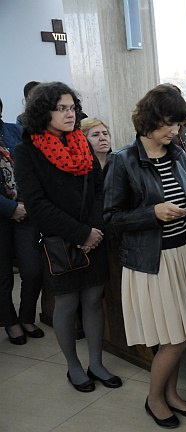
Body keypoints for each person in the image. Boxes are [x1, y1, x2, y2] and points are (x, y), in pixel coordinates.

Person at [104, 84, 186, 428]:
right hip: (152, 262)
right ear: (149, 120)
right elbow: (110, 218)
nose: (174, 131)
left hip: (183, 252)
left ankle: (170, 394)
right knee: (175, 337)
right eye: (168, 123)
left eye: (178, 124)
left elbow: (182, 198)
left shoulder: (177, 153)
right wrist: (151, 213)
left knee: (180, 333)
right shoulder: (124, 161)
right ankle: (154, 398)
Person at [14, 81, 120, 392]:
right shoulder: (26, 151)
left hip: (94, 235)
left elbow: (100, 189)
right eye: (61, 108)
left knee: (93, 300)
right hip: (59, 239)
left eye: (72, 107)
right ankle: (74, 366)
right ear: (42, 112)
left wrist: (94, 229)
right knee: (66, 302)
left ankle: (97, 363)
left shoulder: (82, 143)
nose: (69, 114)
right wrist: (81, 232)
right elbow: (36, 204)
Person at [1, 96, 43, 345]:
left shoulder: (16, 131)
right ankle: (10, 321)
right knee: (3, 275)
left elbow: (34, 166)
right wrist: (10, 208)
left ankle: (27, 316)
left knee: (33, 269)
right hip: (2, 215)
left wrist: (26, 203)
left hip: (27, 210)